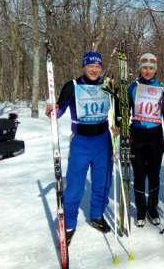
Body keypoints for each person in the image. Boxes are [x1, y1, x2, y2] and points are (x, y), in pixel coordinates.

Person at [45, 51, 113, 246]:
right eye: (90, 65)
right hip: (81, 143)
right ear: (84, 66)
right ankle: (69, 224)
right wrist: (52, 111)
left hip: (103, 141)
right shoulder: (72, 86)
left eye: (97, 66)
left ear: (101, 67)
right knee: (75, 186)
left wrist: (117, 125)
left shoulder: (107, 86)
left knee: (102, 183)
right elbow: (58, 112)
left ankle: (97, 216)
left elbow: (117, 110)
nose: (94, 69)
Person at [128, 53, 164, 228]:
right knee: (139, 174)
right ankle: (141, 209)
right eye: (144, 67)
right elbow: (125, 109)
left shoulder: (162, 88)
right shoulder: (132, 87)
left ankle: (152, 208)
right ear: (140, 68)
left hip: (155, 135)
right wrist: (119, 122)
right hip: (137, 134)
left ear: (155, 69)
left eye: (151, 68)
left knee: (153, 174)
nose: (147, 71)